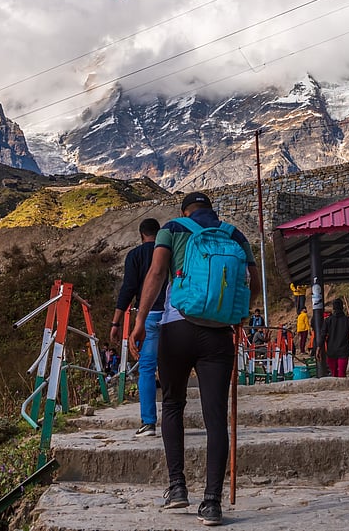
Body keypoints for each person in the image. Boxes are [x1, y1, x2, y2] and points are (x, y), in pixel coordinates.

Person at [130, 192, 258, 526]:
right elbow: (253, 283)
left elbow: (157, 273)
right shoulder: (234, 234)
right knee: (216, 417)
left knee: (173, 404)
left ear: (185, 210)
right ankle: (212, 503)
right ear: (211, 210)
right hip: (218, 334)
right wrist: (239, 316)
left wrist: (140, 321)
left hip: (177, 328)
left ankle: (177, 487)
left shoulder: (172, 229)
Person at [110, 217, 163, 437]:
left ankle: (148, 423)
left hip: (147, 316)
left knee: (147, 369)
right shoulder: (168, 251)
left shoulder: (135, 255)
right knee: (173, 368)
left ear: (141, 235)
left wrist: (116, 322)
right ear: (159, 233)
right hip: (173, 315)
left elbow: (128, 289)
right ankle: (173, 419)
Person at [321, 298, 349, 377]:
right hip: (343, 351)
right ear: (342, 307)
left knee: (334, 374)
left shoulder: (328, 320)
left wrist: (319, 348)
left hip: (331, 351)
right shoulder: (348, 320)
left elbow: (322, 335)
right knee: (342, 374)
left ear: (333, 308)